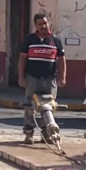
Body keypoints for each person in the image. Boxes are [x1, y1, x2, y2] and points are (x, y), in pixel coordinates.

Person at [18, 14, 66, 145]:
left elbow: (62, 60)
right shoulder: (29, 40)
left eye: (45, 23)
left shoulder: (55, 40)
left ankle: (47, 134)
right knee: (29, 106)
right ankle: (29, 134)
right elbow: (22, 59)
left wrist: (62, 77)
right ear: (36, 26)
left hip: (50, 80)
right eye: (40, 24)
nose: (43, 26)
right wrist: (21, 77)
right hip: (32, 79)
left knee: (48, 106)